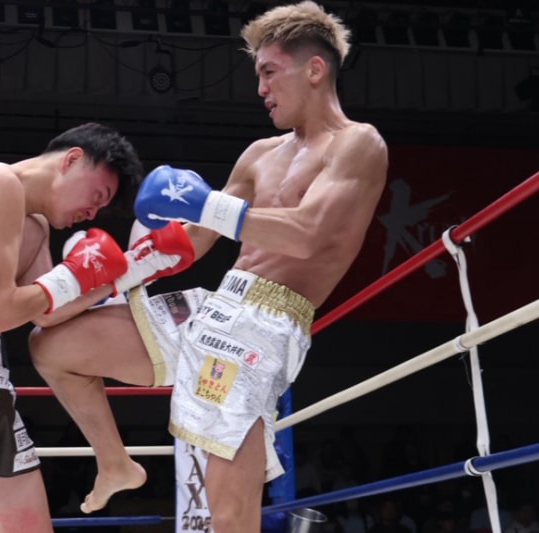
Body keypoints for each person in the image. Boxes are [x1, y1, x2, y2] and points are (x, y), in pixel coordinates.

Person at [29, 3, 387, 532]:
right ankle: (115, 462)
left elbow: (310, 234)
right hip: (216, 305)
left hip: (264, 325)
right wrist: (113, 272)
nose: (261, 89)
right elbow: (193, 243)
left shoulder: (358, 144)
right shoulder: (260, 154)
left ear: (314, 69)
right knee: (51, 345)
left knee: (228, 511)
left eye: (270, 72)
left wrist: (204, 204)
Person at [0, 122, 194, 533]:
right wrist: (74, 275)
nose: (92, 214)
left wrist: (135, 267)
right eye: (97, 196)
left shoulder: (35, 224)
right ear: (72, 160)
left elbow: (46, 313)